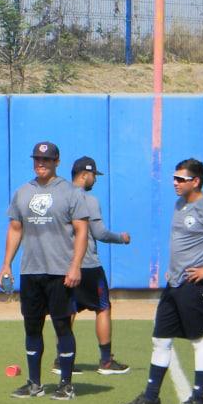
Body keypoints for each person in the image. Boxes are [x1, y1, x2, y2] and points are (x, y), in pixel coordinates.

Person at [120, 158, 203, 404]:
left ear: (196, 181)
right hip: (175, 284)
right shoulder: (179, 205)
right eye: (174, 178)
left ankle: (198, 399)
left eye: (180, 179)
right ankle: (151, 397)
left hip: (196, 285)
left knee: (199, 340)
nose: (175, 183)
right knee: (160, 339)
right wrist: (173, 268)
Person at [0, 141, 90, 401]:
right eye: (37, 159)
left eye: (47, 160)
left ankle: (66, 384)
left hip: (60, 270)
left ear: (57, 162)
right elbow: (16, 229)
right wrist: (6, 264)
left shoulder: (71, 192)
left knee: (62, 326)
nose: (41, 164)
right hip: (31, 270)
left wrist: (75, 266)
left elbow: (82, 230)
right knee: (32, 326)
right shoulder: (23, 192)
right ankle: (34, 383)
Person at [64, 156, 131, 376]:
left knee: (67, 311)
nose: (95, 180)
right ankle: (106, 361)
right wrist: (121, 238)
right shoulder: (88, 200)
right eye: (93, 175)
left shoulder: (59, 196)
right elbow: (100, 233)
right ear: (84, 174)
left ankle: (62, 359)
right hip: (87, 265)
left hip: (62, 264)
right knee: (102, 307)